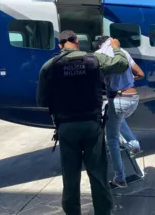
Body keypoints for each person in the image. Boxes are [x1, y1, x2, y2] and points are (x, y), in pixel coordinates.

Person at [36, 30, 129, 215]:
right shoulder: (94, 60)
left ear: (60, 45)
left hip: (66, 127)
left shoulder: (49, 66)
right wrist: (117, 49)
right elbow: (122, 64)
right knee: (98, 174)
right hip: (92, 125)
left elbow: (41, 101)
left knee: (70, 177)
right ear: (77, 42)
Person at [96, 37, 144, 188]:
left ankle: (120, 178)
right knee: (116, 118)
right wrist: (127, 79)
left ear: (99, 44)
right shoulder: (123, 52)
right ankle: (134, 144)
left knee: (112, 140)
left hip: (119, 99)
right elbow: (140, 74)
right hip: (133, 98)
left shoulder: (98, 54)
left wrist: (112, 83)